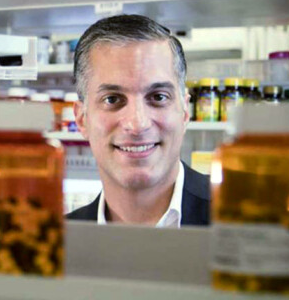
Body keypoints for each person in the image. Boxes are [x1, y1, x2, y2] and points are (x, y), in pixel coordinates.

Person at [66, 14, 210, 227]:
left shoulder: (251, 221)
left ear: (184, 112)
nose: (137, 124)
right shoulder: (55, 243)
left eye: (158, 97)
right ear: (81, 119)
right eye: (112, 99)